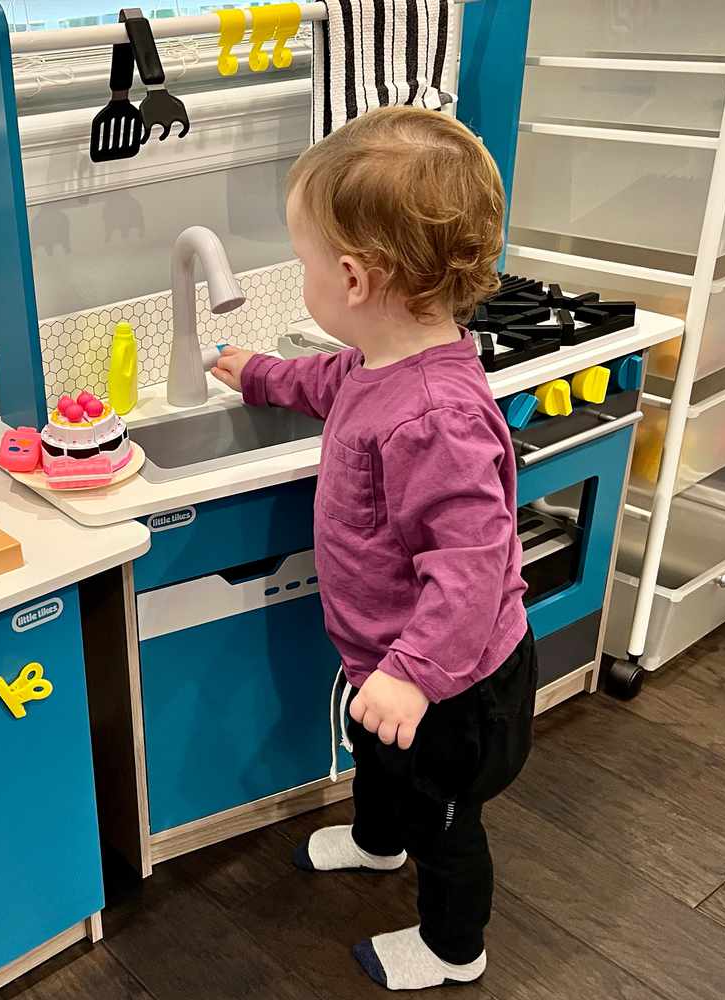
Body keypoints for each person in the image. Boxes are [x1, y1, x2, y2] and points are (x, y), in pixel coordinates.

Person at [211, 106, 536, 991]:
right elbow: (328, 382)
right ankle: (373, 841)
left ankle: (453, 948)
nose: (303, 276)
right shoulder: (380, 363)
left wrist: (413, 671)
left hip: (457, 686)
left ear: (352, 277)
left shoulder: (437, 416)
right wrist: (255, 371)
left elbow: (472, 565)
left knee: (444, 818)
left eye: (304, 262)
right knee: (384, 763)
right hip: (397, 664)